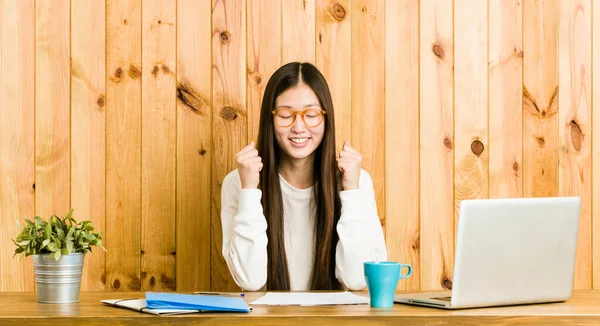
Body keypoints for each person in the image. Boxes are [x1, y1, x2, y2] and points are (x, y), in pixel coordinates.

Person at [220, 62, 387, 291]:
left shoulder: (357, 182)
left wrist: (351, 192)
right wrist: (249, 190)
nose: (299, 127)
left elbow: (356, 279)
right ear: (270, 119)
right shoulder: (237, 183)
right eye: (286, 115)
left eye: (311, 115)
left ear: (326, 118)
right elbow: (250, 280)